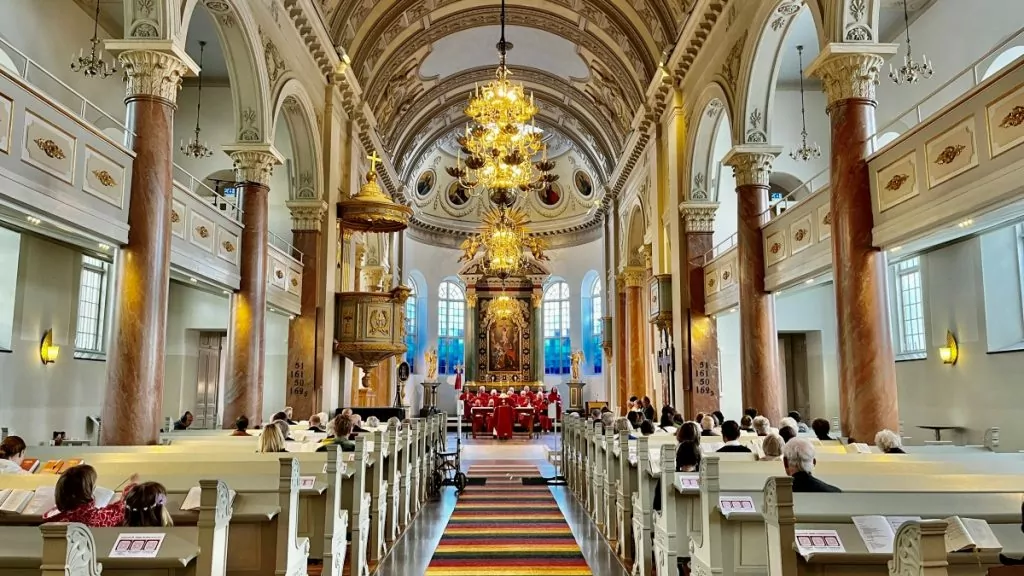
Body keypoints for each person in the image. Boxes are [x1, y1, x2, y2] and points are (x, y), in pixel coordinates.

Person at [45, 465, 136, 527]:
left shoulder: (51, 517)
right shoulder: (92, 517)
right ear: (85, 493)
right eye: (93, 488)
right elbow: (121, 509)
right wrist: (131, 487)